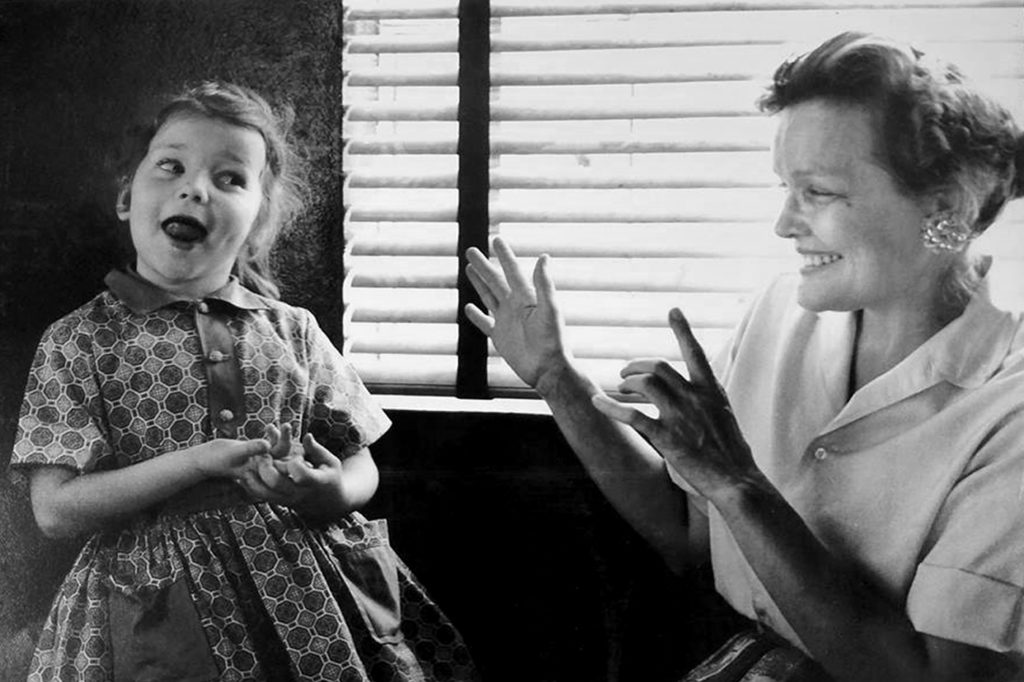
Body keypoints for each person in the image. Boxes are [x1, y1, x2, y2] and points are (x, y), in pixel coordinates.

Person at [465, 32, 1024, 682]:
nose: (784, 223)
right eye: (785, 187)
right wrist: (557, 378)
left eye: (818, 191)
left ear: (946, 210)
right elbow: (691, 536)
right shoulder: (779, 311)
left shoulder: (1010, 410)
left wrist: (739, 482)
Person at [11, 82, 477, 682]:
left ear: (258, 222)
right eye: (171, 166)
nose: (195, 187)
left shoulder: (295, 331)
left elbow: (361, 464)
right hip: (152, 610)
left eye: (230, 178)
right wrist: (200, 462)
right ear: (129, 196)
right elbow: (53, 509)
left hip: (309, 594)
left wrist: (329, 491)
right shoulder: (78, 340)